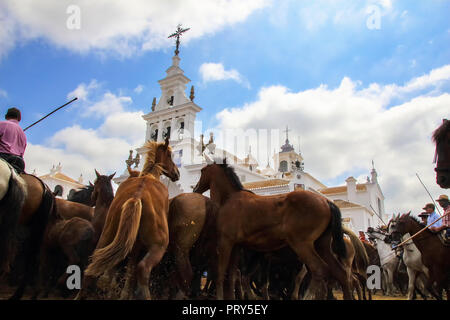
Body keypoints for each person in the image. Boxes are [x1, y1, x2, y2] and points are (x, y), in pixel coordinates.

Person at [0, 107, 27, 173]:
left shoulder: (1, 124)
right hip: (19, 163)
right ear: (19, 118)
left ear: (6, 116)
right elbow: (22, 153)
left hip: (3, 158)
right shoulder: (23, 134)